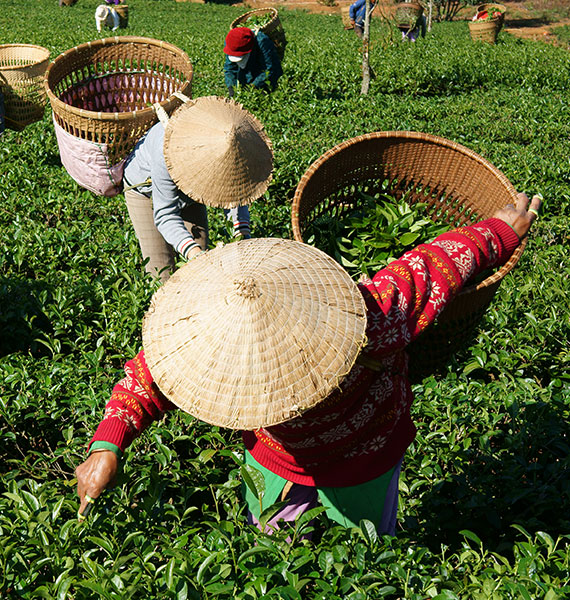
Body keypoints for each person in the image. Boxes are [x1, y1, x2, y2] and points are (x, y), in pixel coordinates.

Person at [76, 192, 541, 535]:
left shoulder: (364, 319)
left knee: (356, 553)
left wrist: (496, 233)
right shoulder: (372, 311)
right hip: (300, 459)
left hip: (361, 460)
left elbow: (433, 265)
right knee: (292, 548)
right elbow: (430, 266)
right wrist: (108, 446)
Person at [122, 95, 273, 282]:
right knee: (161, 273)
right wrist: (193, 252)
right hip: (146, 190)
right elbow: (165, 214)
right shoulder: (166, 152)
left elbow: (235, 188)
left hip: (191, 190)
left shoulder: (230, 136)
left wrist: (241, 232)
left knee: (202, 273)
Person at [223, 27, 283, 97]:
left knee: (262, 96)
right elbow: (229, 68)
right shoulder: (230, 42)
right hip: (245, 74)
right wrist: (231, 88)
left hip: (262, 72)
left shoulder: (262, 41)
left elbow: (270, 69)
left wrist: (253, 86)